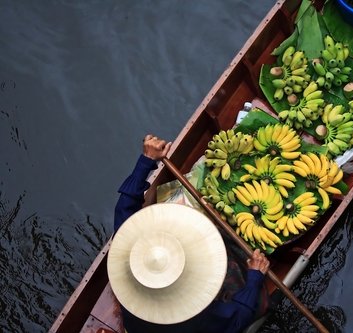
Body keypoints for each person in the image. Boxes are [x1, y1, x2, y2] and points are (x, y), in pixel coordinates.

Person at [108, 134, 270, 333]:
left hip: (137, 319)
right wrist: (255, 276)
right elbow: (237, 318)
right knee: (256, 300)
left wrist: (147, 159)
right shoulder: (193, 318)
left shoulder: (127, 246)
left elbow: (125, 206)